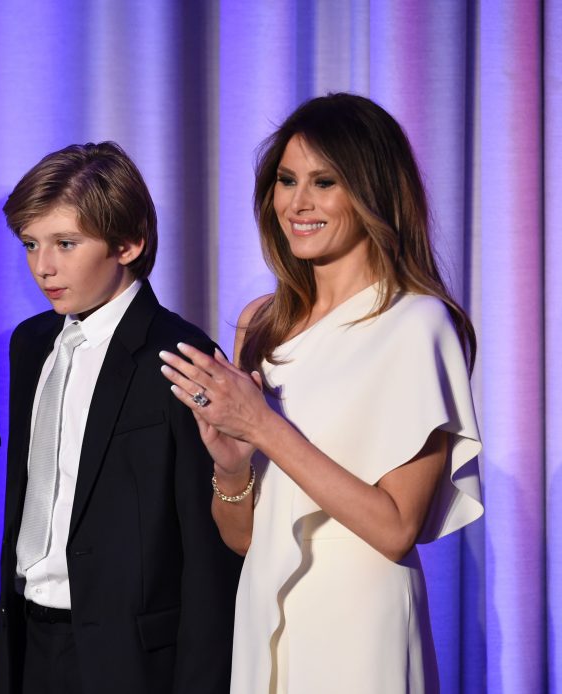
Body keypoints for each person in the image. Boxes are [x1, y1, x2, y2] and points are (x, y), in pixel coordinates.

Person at [160, 93, 483, 692]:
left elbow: (395, 530)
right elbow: (246, 539)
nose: (297, 203)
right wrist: (230, 471)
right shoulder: (261, 322)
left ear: (372, 191)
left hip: (359, 624)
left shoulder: (417, 324)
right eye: (286, 181)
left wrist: (262, 427)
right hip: (264, 612)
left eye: (324, 181)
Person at [0, 142, 242, 694]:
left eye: (65, 244)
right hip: (30, 638)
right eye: (31, 244)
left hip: (131, 659)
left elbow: (207, 553)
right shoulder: (31, 344)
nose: (42, 267)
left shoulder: (182, 356)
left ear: (128, 243)